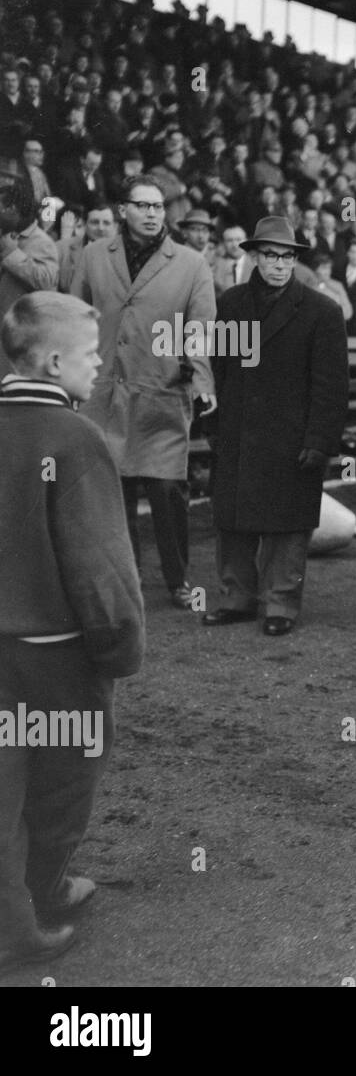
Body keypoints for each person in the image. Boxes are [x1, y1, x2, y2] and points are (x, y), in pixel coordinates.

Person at [0, 292, 145, 972]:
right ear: (55, 361)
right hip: (55, 653)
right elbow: (100, 567)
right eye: (91, 356)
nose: (98, 368)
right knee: (65, 778)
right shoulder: (75, 438)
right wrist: (119, 647)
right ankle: (43, 893)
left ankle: (13, 916)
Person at [70, 174, 217, 610]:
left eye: (158, 207)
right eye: (143, 206)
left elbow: (201, 329)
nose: (153, 214)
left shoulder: (191, 263)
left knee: (166, 490)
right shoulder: (95, 254)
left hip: (161, 388)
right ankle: (125, 576)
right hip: (103, 390)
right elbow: (77, 315)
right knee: (114, 490)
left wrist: (201, 381)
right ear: (123, 210)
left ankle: (178, 580)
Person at [202, 216, 349, 636]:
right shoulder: (232, 303)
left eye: (287, 256)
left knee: (288, 526)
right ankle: (237, 598)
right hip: (240, 430)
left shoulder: (322, 311)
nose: (280, 264)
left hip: (292, 437)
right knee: (232, 520)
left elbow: (331, 387)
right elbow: (222, 367)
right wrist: (214, 424)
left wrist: (319, 441)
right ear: (253, 257)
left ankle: (280, 604)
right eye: (270, 255)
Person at [0, 176, 57, 324]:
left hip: (21, 331)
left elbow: (46, 282)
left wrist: (12, 255)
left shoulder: (43, 242)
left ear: (12, 209)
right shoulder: (4, 234)